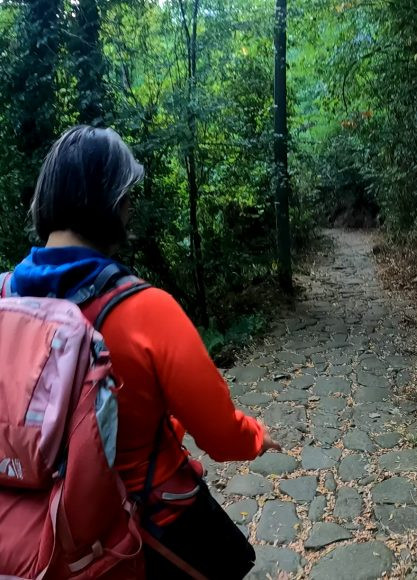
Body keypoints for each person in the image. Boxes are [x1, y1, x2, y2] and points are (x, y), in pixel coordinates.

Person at [2, 125, 280, 578]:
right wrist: (255, 436)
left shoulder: (5, 299)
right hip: (150, 526)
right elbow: (221, 437)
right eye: (128, 198)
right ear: (115, 205)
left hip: (42, 537)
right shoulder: (146, 310)